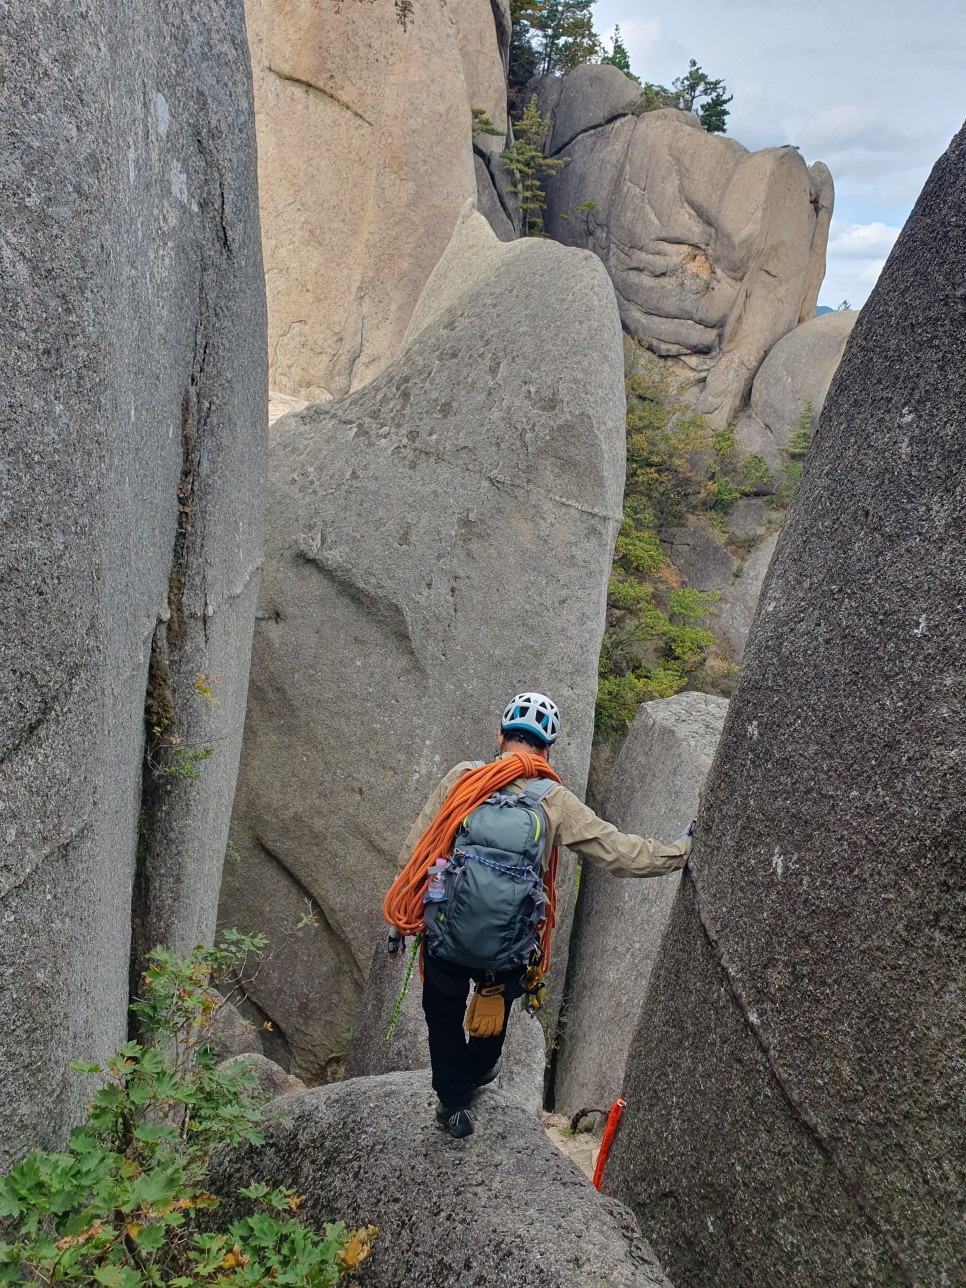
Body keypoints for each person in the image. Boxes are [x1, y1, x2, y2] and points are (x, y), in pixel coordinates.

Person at [388, 691, 691, 1139]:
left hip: (446, 937)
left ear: (501, 737)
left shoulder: (464, 779)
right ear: (546, 749)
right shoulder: (553, 800)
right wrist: (678, 852)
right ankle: (477, 1071)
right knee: (492, 1021)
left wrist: (400, 916)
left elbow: (419, 848)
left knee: (442, 1012)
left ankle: (453, 1105)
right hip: (506, 952)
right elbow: (618, 852)